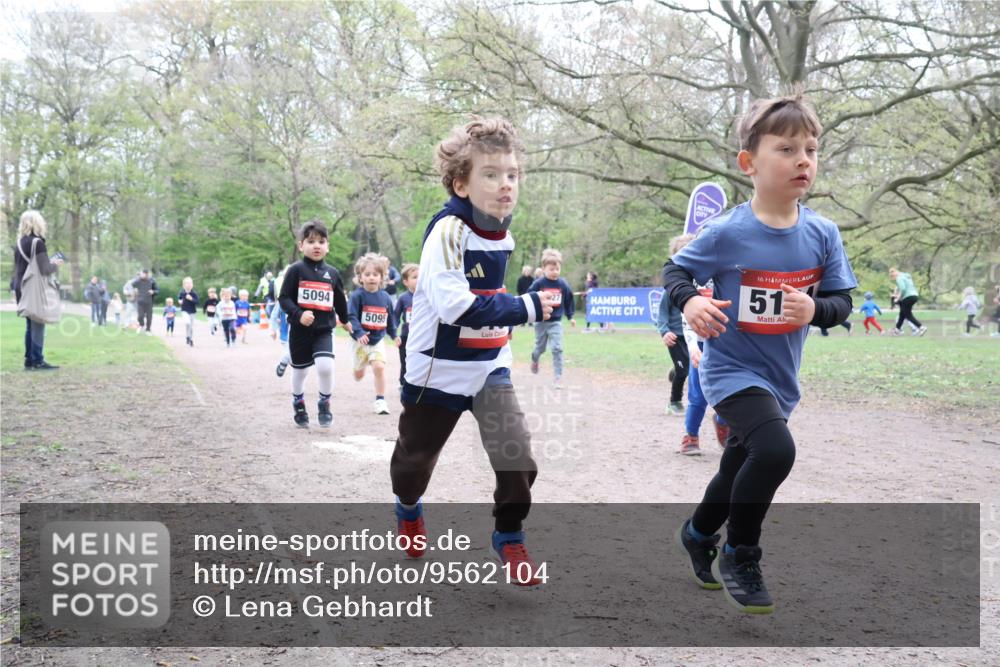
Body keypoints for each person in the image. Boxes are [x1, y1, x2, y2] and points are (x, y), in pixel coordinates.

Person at [662, 95, 856, 614]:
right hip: (731, 370)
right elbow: (674, 272)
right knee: (774, 452)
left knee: (737, 467)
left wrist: (813, 310)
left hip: (781, 378)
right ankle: (741, 554)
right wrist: (694, 299)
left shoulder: (821, 233)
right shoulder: (727, 231)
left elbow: (843, 303)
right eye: (787, 148)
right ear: (750, 163)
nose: (803, 160)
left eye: (811, 149)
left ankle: (698, 533)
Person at [391, 117, 556, 585]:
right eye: (491, 174)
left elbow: (487, 303)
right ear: (461, 184)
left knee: (517, 456)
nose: (505, 184)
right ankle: (407, 507)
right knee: (414, 462)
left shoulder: (503, 232)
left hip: (488, 369)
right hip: (435, 373)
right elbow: (455, 306)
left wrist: (508, 322)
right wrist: (524, 307)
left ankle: (509, 536)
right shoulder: (447, 232)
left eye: (512, 174)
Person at [278, 220, 351, 428]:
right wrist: (299, 314)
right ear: (301, 245)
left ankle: (324, 402)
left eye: (321, 241)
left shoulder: (333, 273)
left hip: (323, 331)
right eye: (311, 241)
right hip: (300, 331)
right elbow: (284, 298)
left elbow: (339, 300)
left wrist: (345, 321)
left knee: (326, 367)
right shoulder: (295, 270)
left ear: (328, 246)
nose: (316, 245)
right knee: (300, 371)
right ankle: (298, 401)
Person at [348, 253, 399, 415]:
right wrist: (359, 332)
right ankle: (358, 369)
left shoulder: (385, 297)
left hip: (377, 340)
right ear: (360, 277)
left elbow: (390, 318)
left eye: (375, 274)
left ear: (382, 277)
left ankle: (380, 400)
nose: (371, 278)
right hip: (360, 341)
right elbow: (352, 316)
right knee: (359, 373)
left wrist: (393, 334)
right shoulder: (357, 296)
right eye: (367, 274)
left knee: (379, 367)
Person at [11, 210, 63, 370]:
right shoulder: (38, 243)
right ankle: (38, 360)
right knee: (39, 323)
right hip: (34, 289)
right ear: (37, 223)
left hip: (22, 287)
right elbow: (45, 269)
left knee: (30, 324)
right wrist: (56, 264)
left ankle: (30, 360)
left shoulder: (19, 243)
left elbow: (19, 267)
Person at [529, 248, 575, 387]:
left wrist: (570, 316)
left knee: (557, 348)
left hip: (556, 322)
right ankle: (535, 359)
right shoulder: (539, 284)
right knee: (540, 349)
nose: (555, 272)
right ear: (543, 269)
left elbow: (568, 300)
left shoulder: (563, 284)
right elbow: (529, 297)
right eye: (551, 269)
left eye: (557, 269)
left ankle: (558, 377)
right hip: (541, 322)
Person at [393, 263, 419, 390]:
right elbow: (395, 317)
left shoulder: (427, 296)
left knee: (420, 361)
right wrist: (394, 334)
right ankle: (403, 383)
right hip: (406, 336)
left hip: (422, 337)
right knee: (405, 361)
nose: (418, 280)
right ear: (405, 282)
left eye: (421, 276)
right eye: (414, 277)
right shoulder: (403, 298)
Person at [888, 267, 927, 336]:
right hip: (914, 295)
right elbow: (902, 285)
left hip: (908, 297)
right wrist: (897, 291)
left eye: (892, 276)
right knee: (902, 313)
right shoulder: (905, 276)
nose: (893, 278)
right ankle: (897, 330)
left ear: (895, 272)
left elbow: (903, 289)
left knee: (907, 314)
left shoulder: (899, 278)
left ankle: (921, 327)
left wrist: (898, 298)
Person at [132, 269, 158, 334]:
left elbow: (157, 290)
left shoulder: (152, 281)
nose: (143, 275)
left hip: (149, 302)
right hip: (140, 301)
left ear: (147, 274)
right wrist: (139, 277)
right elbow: (133, 284)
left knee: (149, 317)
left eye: (145, 274)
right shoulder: (138, 280)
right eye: (142, 274)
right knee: (140, 316)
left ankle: (148, 330)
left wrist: (153, 291)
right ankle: (141, 325)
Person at [178, 276, 199, 347]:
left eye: (190, 283)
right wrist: (180, 301)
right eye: (187, 283)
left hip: (192, 311)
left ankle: (190, 338)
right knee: (187, 322)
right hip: (184, 311)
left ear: (192, 285)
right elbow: (179, 299)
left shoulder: (194, 294)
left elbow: (197, 302)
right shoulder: (182, 293)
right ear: (183, 285)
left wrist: (191, 299)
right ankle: (188, 336)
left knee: (191, 326)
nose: (188, 285)